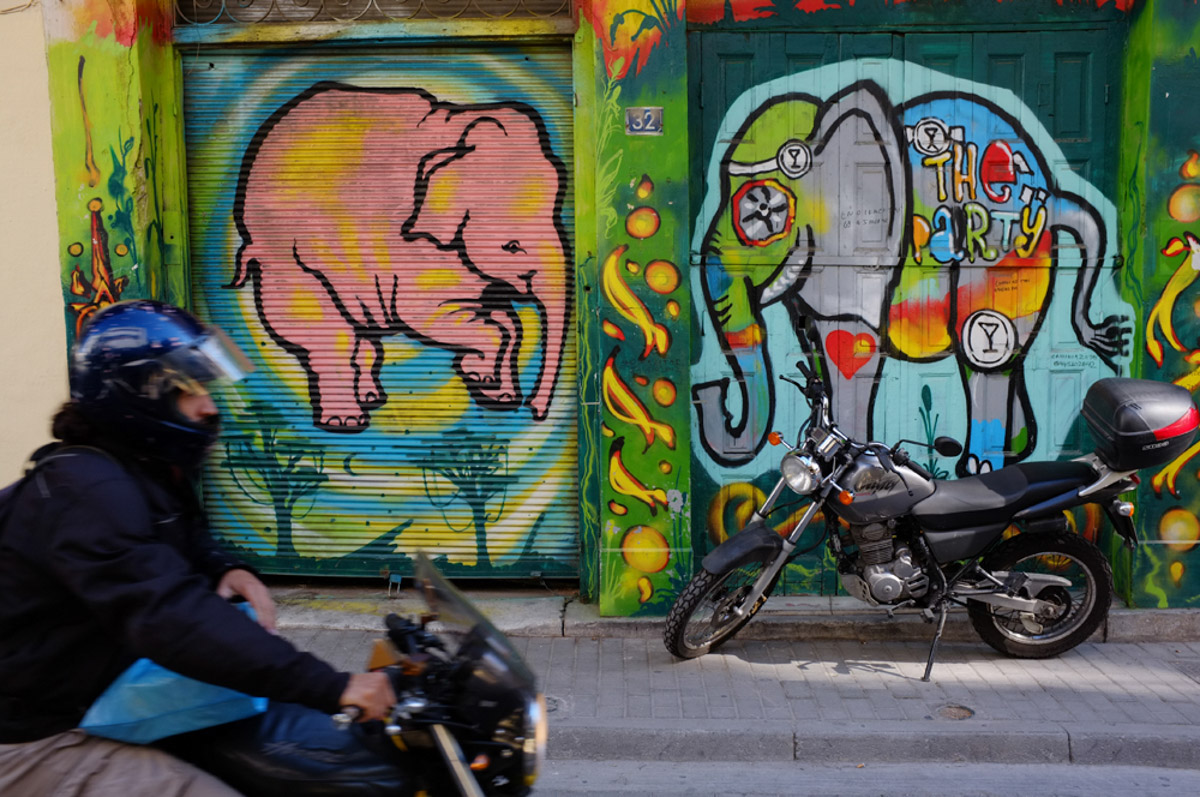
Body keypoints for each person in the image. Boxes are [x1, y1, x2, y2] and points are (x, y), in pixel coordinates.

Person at [0, 300, 403, 796]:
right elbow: (172, 617)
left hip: (98, 692)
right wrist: (335, 686)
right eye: (190, 390)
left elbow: (175, 536)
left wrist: (223, 566)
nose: (209, 407)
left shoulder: (133, 467)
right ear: (141, 394)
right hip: (35, 736)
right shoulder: (86, 491)